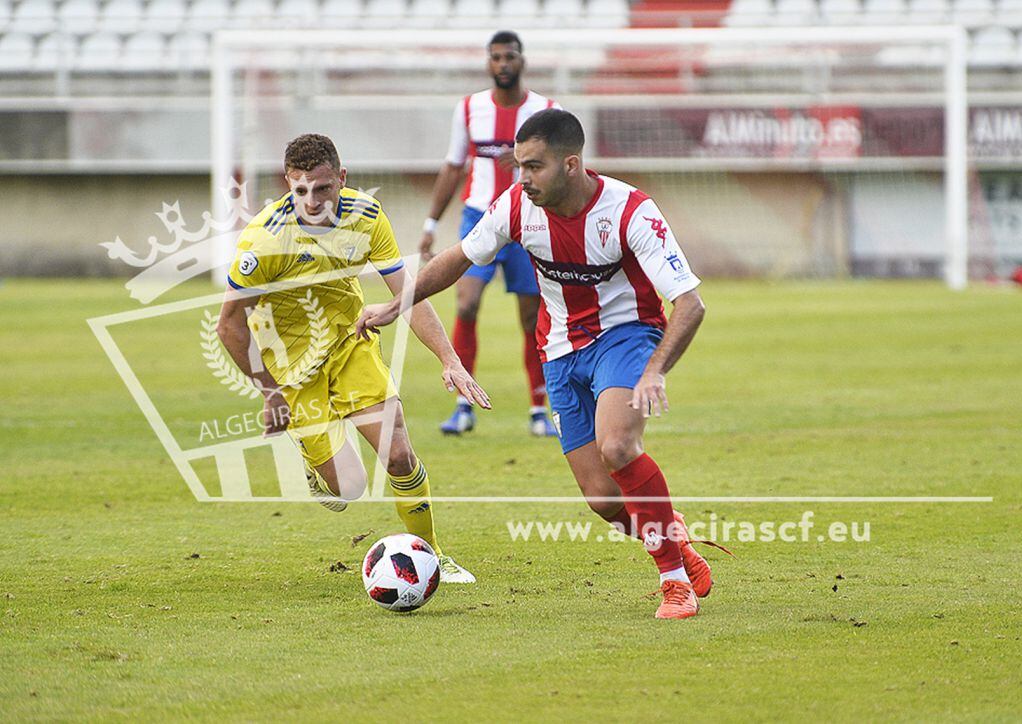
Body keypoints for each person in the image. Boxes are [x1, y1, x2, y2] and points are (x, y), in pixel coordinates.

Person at [360, 110, 714, 619]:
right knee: (602, 500)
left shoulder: (631, 210)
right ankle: (673, 539)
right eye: (518, 166)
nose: (522, 178)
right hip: (560, 350)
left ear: (571, 164)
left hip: (628, 337)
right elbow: (458, 259)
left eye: (534, 167)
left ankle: (674, 582)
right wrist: (395, 306)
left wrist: (656, 369)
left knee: (618, 445)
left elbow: (691, 303)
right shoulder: (515, 207)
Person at [216, 133, 485, 583]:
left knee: (398, 453)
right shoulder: (264, 241)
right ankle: (315, 463)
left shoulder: (366, 216)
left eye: (323, 188)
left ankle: (434, 557)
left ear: (341, 178)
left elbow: (408, 296)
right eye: (300, 190)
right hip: (294, 372)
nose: (312, 201)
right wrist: (270, 393)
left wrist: (449, 359)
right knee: (350, 488)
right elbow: (229, 325)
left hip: (349, 344)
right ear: (288, 184)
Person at [419, 30, 558, 438]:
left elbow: (560, 167)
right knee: (466, 304)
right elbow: (452, 165)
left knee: (532, 316)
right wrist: (430, 224)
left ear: (522, 60)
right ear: (488, 62)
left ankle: (538, 408)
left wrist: (521, 168)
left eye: (509, 56)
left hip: (529, 220)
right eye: (496, 57)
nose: (503, 64)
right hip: (479, 217)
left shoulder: (546, 111)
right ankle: (463, 404)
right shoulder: (469, 109)